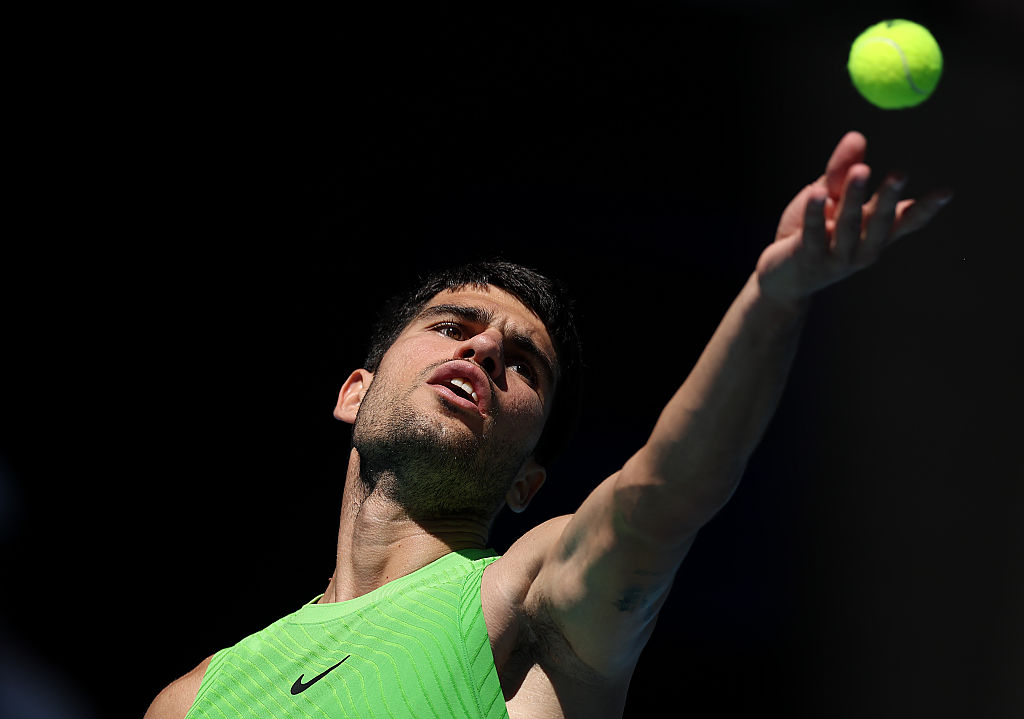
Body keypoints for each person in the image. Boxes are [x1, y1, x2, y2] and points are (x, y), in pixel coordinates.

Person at [145, 131, 951, 719]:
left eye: (524, 363)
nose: (487, 345)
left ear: (529, 479)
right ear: (355, 392)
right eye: (453, 326)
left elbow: (662, 496)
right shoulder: (192, 698)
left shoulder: (528, 599)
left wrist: (775, 298)